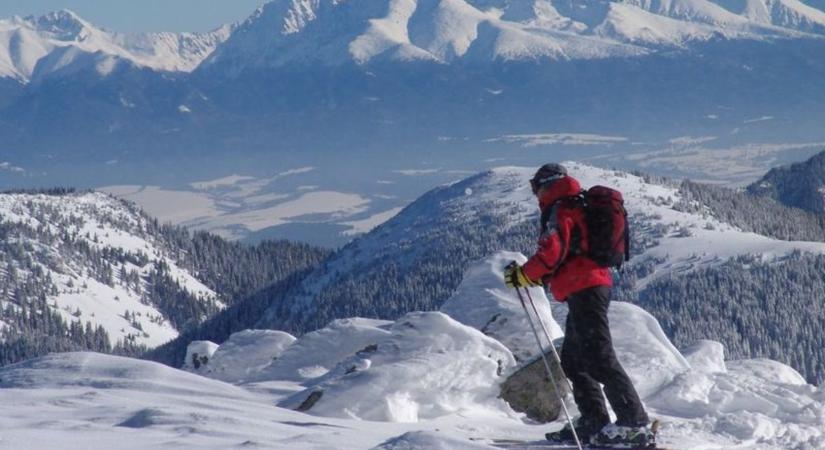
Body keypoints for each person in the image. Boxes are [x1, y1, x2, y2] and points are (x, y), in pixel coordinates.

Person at [503, 163, 653, 447]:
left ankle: (633, 424)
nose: (535, 194)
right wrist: (533, 276)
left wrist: (524, 274)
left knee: (599, 357)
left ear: (545, 184)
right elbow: (568, 256)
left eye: (536, 187)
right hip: (584, 287)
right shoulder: (572, 205)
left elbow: (552, 251)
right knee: (573, 360)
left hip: (586, 289)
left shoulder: (561, 208)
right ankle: (594, 421)